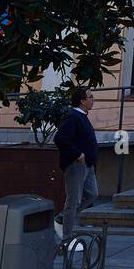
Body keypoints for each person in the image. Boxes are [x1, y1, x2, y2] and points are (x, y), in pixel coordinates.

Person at [55, 87, 98, 241]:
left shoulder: (83, 117)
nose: (93, 99)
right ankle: (67, 238)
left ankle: (61, 218)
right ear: (82, 100)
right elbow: (60, 138)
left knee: (92, 194)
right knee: (74, 201)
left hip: (88, 165)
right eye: (90, 97)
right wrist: (77, 153)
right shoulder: (73, 116)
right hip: (76, 165)